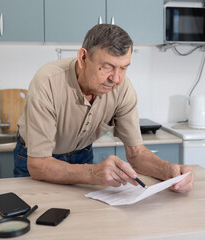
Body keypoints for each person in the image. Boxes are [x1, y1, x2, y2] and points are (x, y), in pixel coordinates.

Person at [14, 24, 194, 193]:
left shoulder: (123, 89)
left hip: (82, 156)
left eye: (124, 68)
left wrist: (168, 171)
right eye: (107, 67)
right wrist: (93, 174)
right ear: (83, 58)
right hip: (36, 160)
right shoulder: (47, 82)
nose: (116, 79)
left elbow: (136, 153)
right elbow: (38, 164)